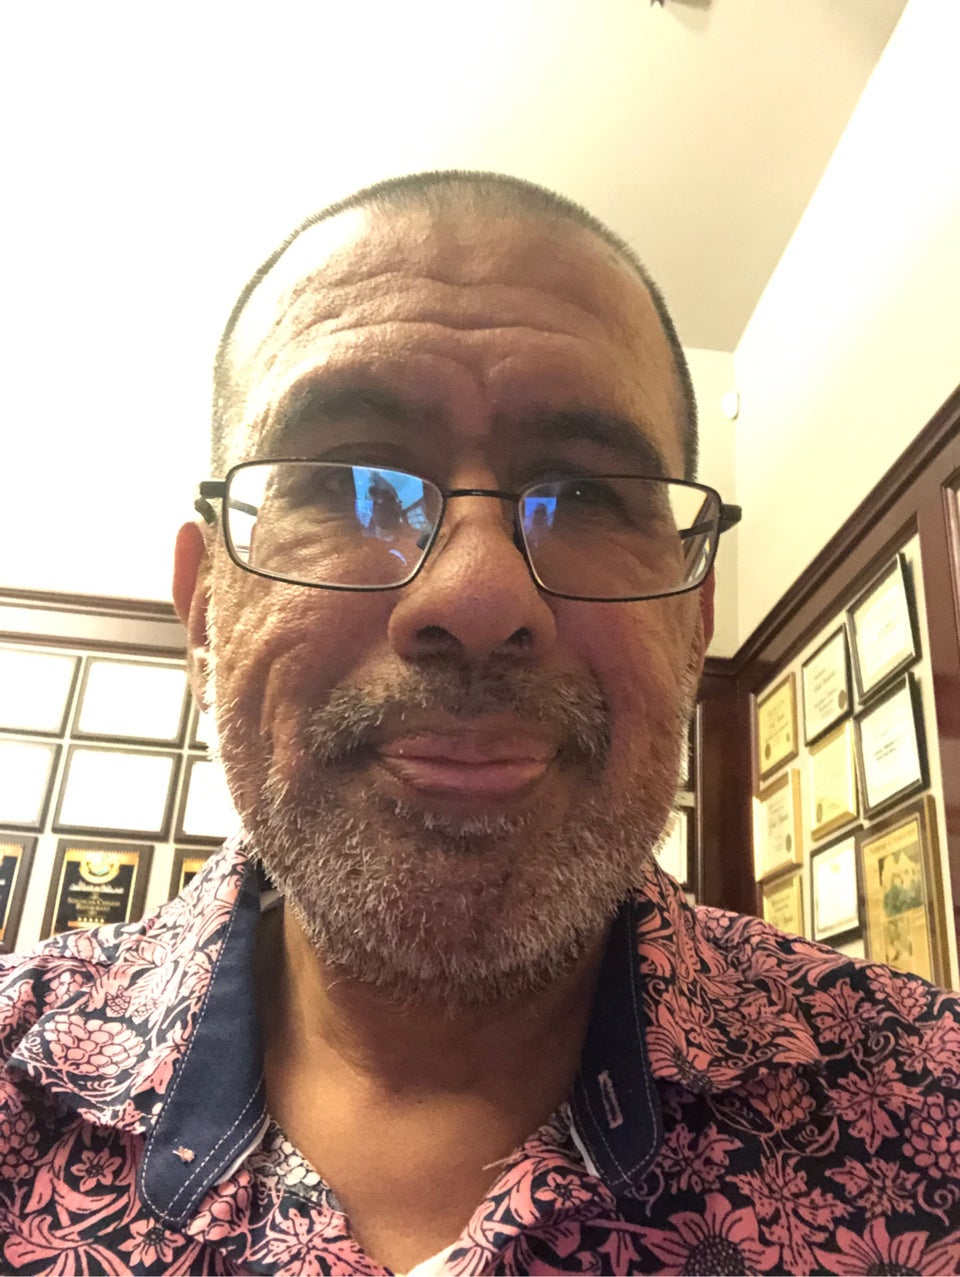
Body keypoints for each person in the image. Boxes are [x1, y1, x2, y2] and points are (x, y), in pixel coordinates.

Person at [2, 172, 959, 1276]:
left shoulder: (929, 1103)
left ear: (694, 623)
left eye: (587, 494)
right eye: (350, 483)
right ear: (204, 610)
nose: (475, 595)